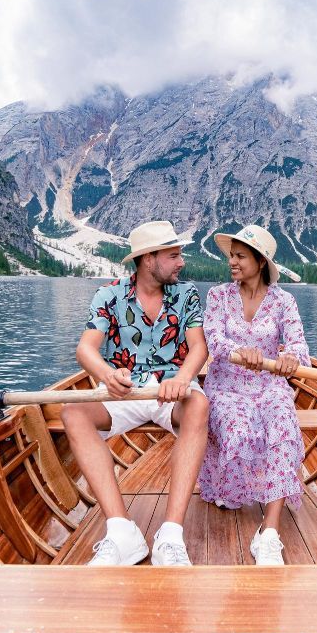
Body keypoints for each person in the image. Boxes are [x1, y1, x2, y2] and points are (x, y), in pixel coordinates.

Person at [62, 221, 209, 567]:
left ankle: (170, 536)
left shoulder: (186, 293)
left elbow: (199, 347)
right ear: (148, 259)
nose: (181, 262)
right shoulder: (108, 295)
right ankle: (121, 531)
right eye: (173, 256)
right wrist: (107, 375)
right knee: (72, 412)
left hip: (172, 389)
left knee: (199, 405)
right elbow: (85, 349)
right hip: (125, 391)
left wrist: (183, 379)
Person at [198, 224, 310, 565]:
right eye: (231, 255)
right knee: (239, 428)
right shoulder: (218, 295)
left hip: (269, 385)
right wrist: (239, 351)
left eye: (241, 256)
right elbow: (214, 340)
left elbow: (299, 347)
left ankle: (269, 532)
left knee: (283, 424)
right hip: (226, 384)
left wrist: (290, 358)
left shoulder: (284, 301)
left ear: (261, 262)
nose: (232, 262)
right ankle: (233, 487)